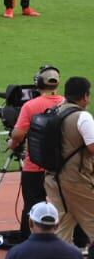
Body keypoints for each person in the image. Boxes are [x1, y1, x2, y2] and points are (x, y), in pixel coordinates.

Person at [8, 65, 64, 238]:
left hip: (34, 167)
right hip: (62, 166)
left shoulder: (30, 106)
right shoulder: (66, 104)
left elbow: (18, 135)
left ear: (38, 83)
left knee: (32, 205)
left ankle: (29, 240)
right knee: (65, 205)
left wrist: (12, 143)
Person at [43, 77, 94, 244]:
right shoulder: (83, 117)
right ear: (85, 96)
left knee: (62, 228)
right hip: (76, 181)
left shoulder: (55, 111)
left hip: (53, 180)